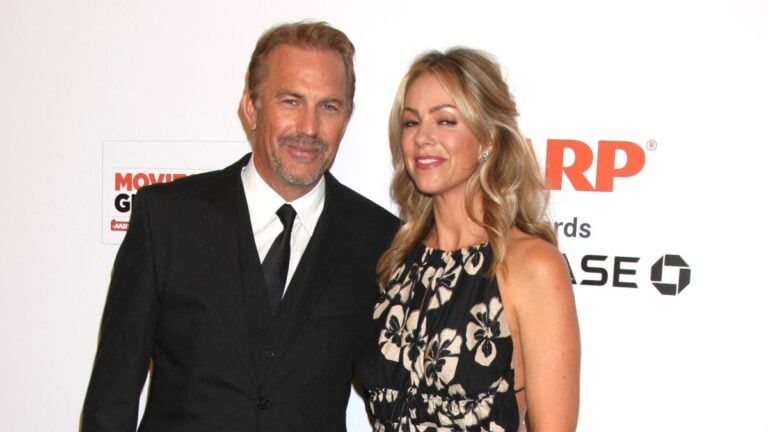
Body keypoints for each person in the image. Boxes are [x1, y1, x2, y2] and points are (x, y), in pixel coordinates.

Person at [82, 21, 399, 431]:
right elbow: (112, 399)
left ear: (347, 117)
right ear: (251, 107)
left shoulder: (380, 240)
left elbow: (396, 395)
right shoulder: (167, 219)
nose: (309, 128)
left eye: (328, 107)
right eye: (291, 101)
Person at [358, 48, 580, 431]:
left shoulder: (531, 266)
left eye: (445, 120)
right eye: (411, 122)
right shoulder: (393, 261)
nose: (423, 138)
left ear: (488, 137)